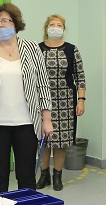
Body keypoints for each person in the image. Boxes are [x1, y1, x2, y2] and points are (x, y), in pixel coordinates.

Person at [0, 4, 52, 194]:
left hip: (27, 124)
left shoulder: (32, 48)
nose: (1, 25)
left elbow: (43, 85)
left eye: (5, 20)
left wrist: (47, 120)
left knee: (27, 176)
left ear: (15, 23)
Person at [37, 15, 86, 191]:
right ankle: (44, 175)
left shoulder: (72, 49)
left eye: (59, 25)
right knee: (43, 140)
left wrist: (81, 100)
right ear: (46, 27)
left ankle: (57, 175)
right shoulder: (37, 49)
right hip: (42, 100)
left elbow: (80, 77)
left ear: (64, 29)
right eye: (52, 24)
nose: (55, 27)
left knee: (61, 141)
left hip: (65, 101)